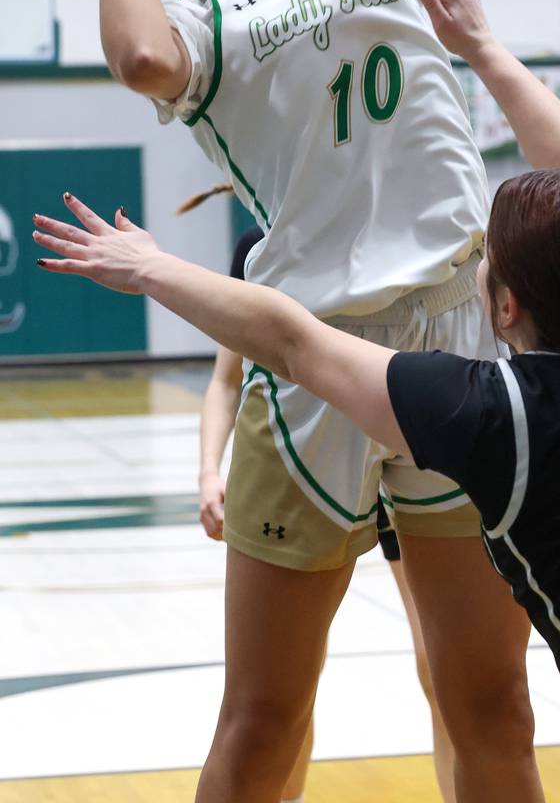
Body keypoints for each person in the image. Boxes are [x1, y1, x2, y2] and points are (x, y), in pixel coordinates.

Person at [34, 0, 560, 803]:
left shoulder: (503, 422)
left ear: (504, 308)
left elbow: (294, 342)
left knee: (470, 703)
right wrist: (478, 42)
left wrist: (151, 267)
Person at [30, 0, 536, 803]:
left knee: (488, 701)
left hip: (456, 340)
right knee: (263, 721)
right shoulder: (200, 22)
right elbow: (139, 62)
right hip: (313, 357)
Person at [198, 218, 456, 802]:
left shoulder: (414, 230)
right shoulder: (260, 252)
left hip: (402, 445)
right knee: (286, 688)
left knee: (444, 670)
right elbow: (225, 379)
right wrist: (209, 469)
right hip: (306, 455)